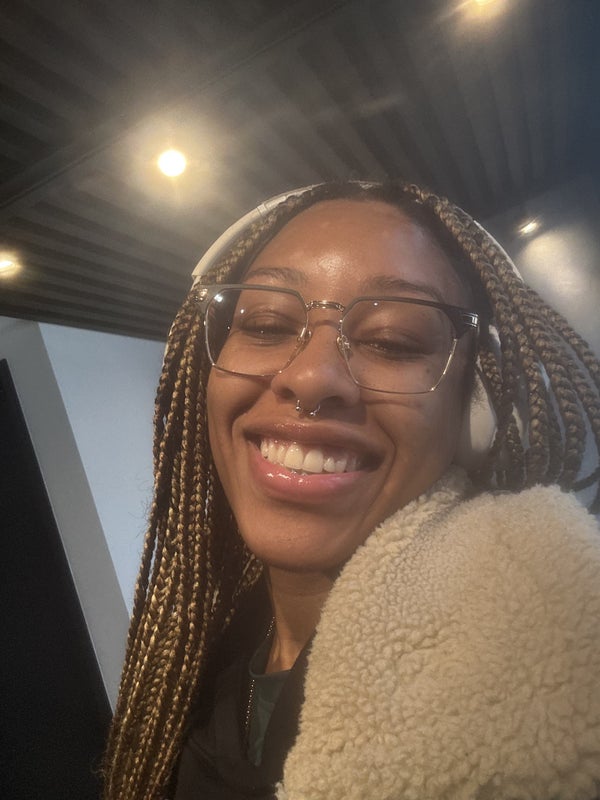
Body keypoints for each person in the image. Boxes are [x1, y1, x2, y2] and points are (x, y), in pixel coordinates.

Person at [103, 181, 600, 800]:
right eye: (266, 324)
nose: (311, 376)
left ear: (479, 404)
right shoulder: (207, 657)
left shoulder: (562, 659)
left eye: (391, 341)